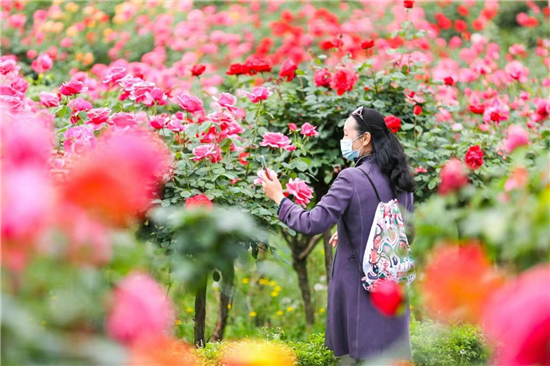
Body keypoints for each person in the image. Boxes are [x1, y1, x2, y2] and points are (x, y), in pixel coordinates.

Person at [260, 107, 416, 365]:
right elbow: (402, 233)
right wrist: (350, 232)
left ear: (365, 138)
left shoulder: (351, 178)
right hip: (392, 291)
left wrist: (279, 198)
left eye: (346, 134)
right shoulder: (401, 177)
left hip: (361, 287)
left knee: (359, 356)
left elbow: (311, 222)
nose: (343, 141)